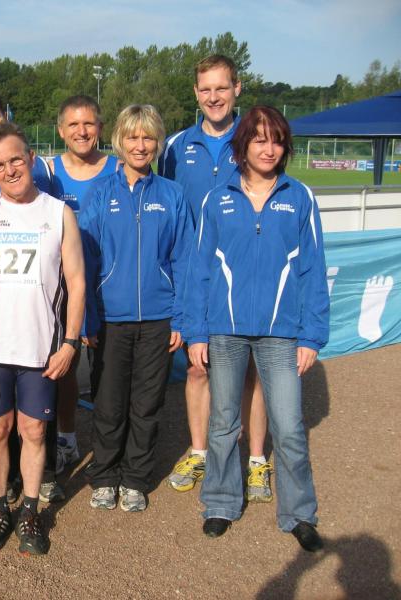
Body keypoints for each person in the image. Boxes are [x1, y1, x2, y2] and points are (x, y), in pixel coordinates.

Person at [183, 106, 328, 552]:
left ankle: (299, 513)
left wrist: (311, 336)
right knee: (224, 423)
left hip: (281, 333)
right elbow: (198, 270)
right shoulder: (217, 199)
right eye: (259, 139)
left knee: (289, 426)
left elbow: (313, 270)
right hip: (224, 330)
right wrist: (196, 332)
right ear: (242, 145)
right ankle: (221, 502)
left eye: (277, 140)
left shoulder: (299, 197)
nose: (269, 149)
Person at [159, 54, 272, 502]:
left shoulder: (255, 138)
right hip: (196, 277)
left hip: (246, 276)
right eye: (205, 89)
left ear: (237, 88)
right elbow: (166, 205)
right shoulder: (175, 146)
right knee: (197, 368)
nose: (213, 97)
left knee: (251, 374)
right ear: (196, 93)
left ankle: (257, 460)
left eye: (221, 88)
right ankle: (200, 451)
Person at [0, 122, 85, 556]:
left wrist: (70, 342)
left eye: (16, 159)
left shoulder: (58, 213)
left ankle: (31, 511)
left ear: (32, 159)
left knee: (34, 430)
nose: (9, 170)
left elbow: (76, 282)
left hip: (40, 347)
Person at [80, 104, 191, 512]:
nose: (140, 145)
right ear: (119, 141)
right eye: (132, 137)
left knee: (147, 405)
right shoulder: (100, 193)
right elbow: (85, 261)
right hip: (110, 319)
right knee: (109, 403)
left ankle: (135, 479)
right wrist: (88, 318)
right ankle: (105, 476)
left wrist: (180, 317)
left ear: (158, 142)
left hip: (159, 319)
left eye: (148, 137)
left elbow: (184, 260)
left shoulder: (172, 195)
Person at [0, 84, 60, 505]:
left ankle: (36, 487)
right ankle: (1, 497)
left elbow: (65, 268)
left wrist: (71, 337)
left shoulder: (49, 195)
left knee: (33, 426)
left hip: (36, 333)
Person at [49, 95, 118, 477]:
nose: (82, 131)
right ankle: (67, 438)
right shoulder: (49, 172)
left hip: (110, 286)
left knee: (110, 375)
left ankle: (113, 449)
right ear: (61, 130)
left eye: (89, 123)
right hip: (64, 289)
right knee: (65, 368)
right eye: (73, 124)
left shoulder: (120, 168)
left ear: (100, 128)